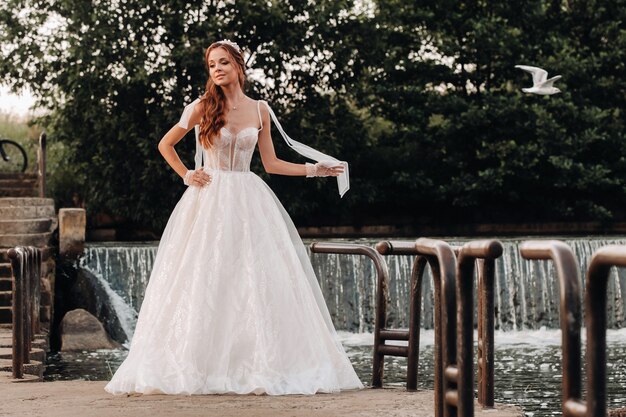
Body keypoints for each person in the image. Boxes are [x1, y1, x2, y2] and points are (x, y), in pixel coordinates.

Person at [104, 40, 363, 395]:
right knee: (204, 278)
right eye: (212, 65)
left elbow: (271, 164)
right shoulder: (201, 107)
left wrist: (316, 169)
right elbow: (165, 144)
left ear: (239, 66)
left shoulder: (260, 110)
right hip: (209, 198)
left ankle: (255, 362)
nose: (218, 69)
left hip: (249, 199)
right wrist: (186, 174)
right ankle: (199, 366)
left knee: (254, 279)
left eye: (224, 62)